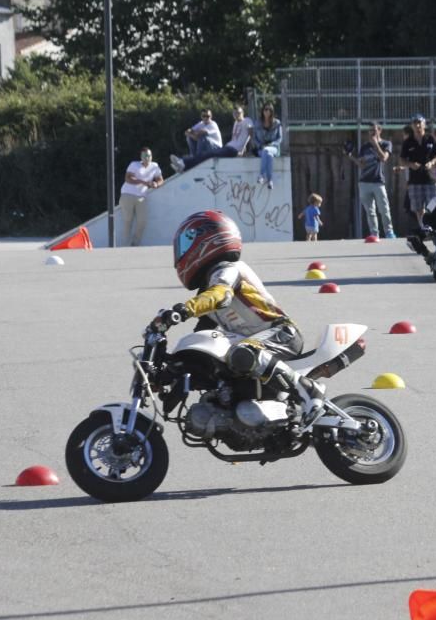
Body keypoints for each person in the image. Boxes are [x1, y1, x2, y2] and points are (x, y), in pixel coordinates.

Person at [150, 210, 324, 421]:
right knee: (218, 362)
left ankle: (308, 391)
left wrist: (182, 311)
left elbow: (220, 296)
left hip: (281, 333)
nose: (182, 253)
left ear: (208, 239)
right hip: (255, 346)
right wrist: (172, 370)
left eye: (187, 243)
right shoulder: (206, 293)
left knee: (241, 352)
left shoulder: (229, 270)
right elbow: (201, 339)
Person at [347, 122, 395, 239]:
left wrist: (375, 144)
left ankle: (389, 232)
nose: (371, 132)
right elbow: (361, 164)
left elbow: (384, 158)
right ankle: (374, 234)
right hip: (364, 182)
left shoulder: (386, 144)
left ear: (379, 130)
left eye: (374, 130)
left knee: (384, 209)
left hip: (378, 182)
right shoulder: (364, 147)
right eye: (369, 130)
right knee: (370, 211)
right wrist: (350, 156)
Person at [171, 106, 253, 173]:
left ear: (243, 113)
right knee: (204, 154)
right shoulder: (235, 123)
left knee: (207, 155)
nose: (236, 115)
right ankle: (183, 164)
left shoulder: (247, 120)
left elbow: (250, 135)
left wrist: (248, 150)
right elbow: (235, 138)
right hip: (228, 147)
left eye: (238, 113)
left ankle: (183, 162)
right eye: (235, 113)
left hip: (233, 150)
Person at [399, 114, 436, 228]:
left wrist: (432, 162)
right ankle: (425, 228)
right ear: (412, 126)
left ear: (424, 124)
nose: (417, 125)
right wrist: (411, 164)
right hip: (415, 180)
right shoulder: (408, 141)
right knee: (418, 208)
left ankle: (435, 227)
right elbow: (402, 160)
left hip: (430, 178)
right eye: (415, 123)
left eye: (419, 123)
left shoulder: (431, 138)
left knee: (434, 206)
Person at [117, 147, 164, 247]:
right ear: (141, 157)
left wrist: (156, 184)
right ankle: (125, 244)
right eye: (145, 156)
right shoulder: (134, 164)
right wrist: (144, 182)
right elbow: (128, 178)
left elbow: (160, 179)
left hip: (141, 197)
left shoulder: (154, 166)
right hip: (128, 194)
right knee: (128, 220)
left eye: (149, 156)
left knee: (142, 221)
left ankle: (135, 243)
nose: (147, 158)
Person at [251, 103, 283, 189]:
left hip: (274, 148)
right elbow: (254, 138)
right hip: (261, 148)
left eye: (269, 110)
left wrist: (271, 144)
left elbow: (279, 138)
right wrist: (260, 145)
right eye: (265, 109)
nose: (267, 111)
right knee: (268, 154)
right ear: (262, 111)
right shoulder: (257, 123)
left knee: (267, 150)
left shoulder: (277, 123)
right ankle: (270, 180)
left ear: (272, 112)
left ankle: (261, 175)